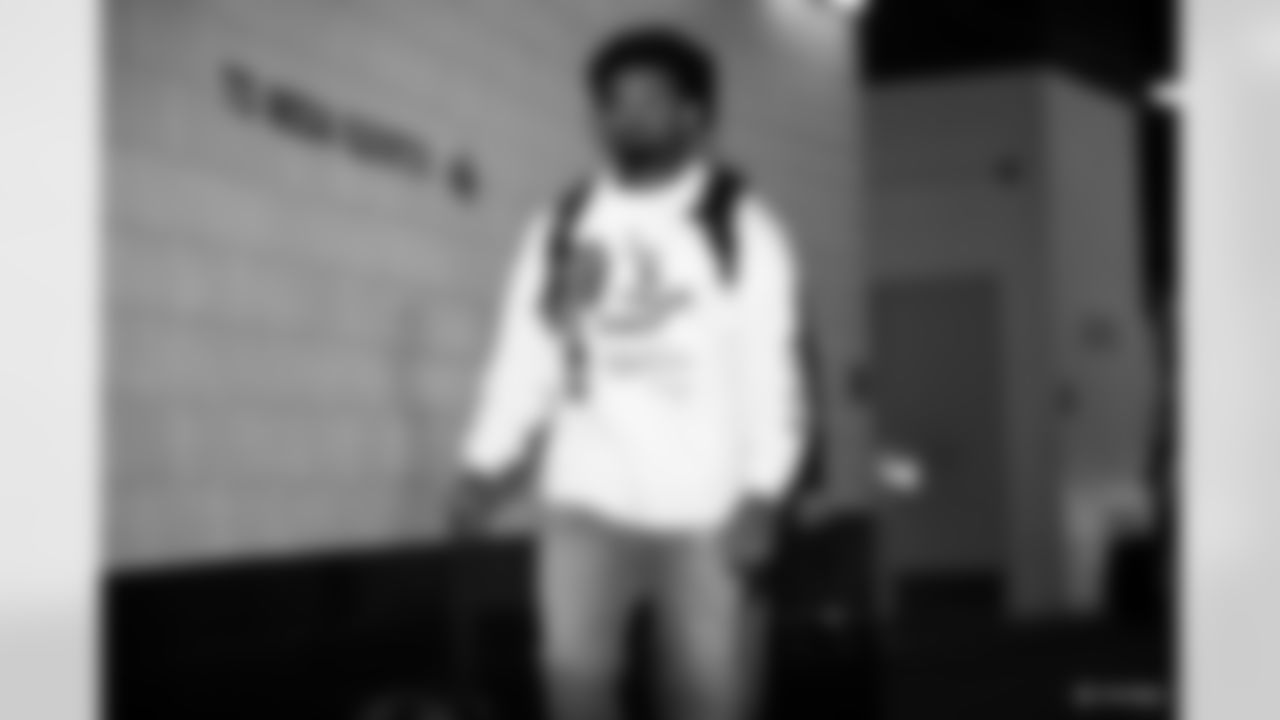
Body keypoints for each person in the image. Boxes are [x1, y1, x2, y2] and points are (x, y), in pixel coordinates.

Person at [451, 24, 808, 720]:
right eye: (612, 101)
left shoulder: (741, 227)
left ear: (694, 115)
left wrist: (764, 492)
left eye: (649, 100)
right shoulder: (564, 224)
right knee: (572, 687)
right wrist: (483, 463)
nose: (627, 116)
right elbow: (527, 352)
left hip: (707, 509)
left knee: (708, 697)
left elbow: (774, 373)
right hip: (586, 498)